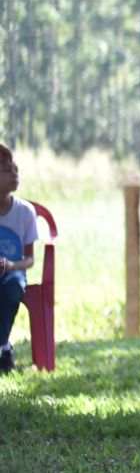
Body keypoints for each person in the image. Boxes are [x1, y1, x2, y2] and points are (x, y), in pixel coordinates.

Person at [0, 144, 37, 375]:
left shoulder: (25, 212)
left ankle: (2, 346)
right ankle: (4, 350)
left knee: (13, 288)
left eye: (16, 169)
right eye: (6, 170)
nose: (15, 175)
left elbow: (30, 259)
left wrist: (12, 265)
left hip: (13, 273)